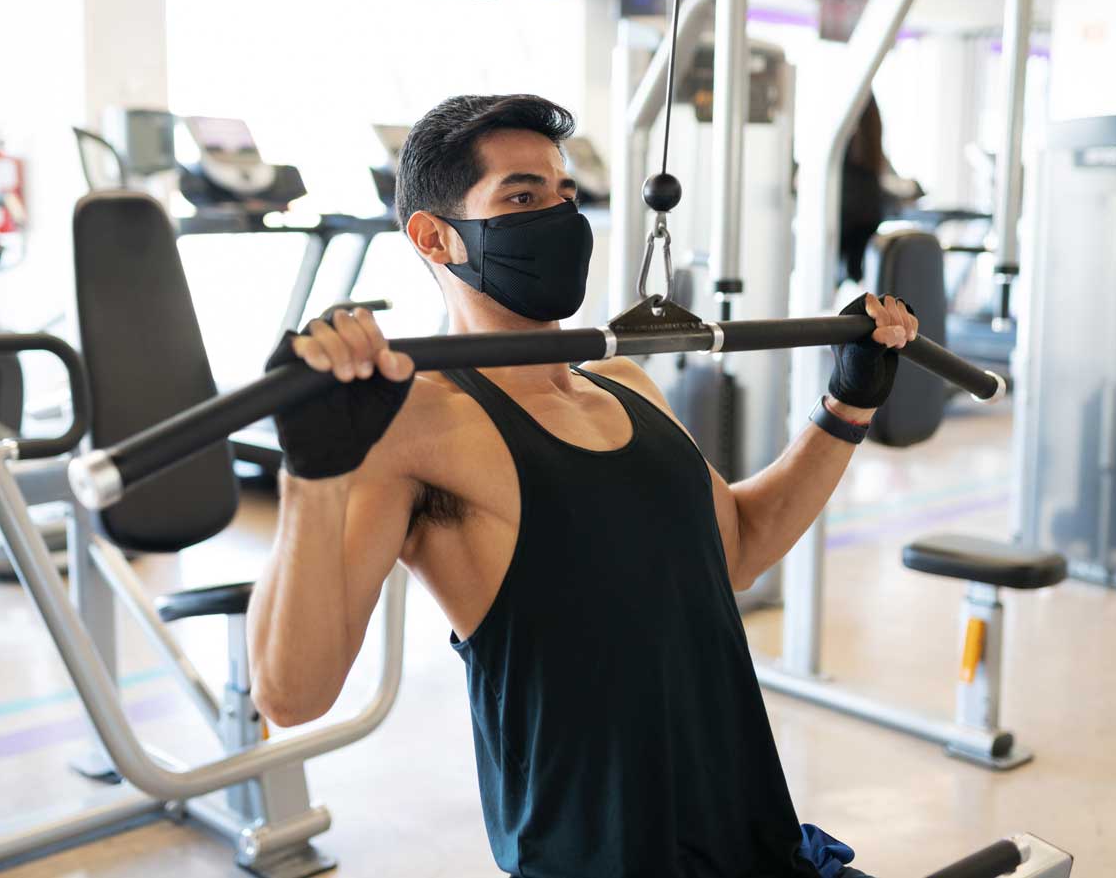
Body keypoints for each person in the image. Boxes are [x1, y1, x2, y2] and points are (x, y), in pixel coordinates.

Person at [247, 94, 918, 878]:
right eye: (522, 197)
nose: (561, 218)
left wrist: (847, 405)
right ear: (435, 237)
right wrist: (313, 475)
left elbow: (736, 548)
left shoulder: (626, 381)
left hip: (750, 839)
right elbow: (291, 695)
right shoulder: (417, 426)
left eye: (565, 195)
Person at [839, 94, 924, 283]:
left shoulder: (841, 147)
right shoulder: (872, 148)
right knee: (857, 278)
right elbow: (893, 184)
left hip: (847, 224)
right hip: (868, 221)